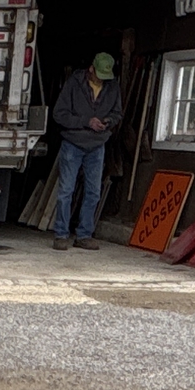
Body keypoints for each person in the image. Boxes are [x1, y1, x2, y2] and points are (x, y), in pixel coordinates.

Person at [50, 52, 123, 250]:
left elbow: (117, 113)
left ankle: (84, 235)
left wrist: (107, 122)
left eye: (105, 76)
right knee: (66, 190)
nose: (101, 80)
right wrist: (85, 121)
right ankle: (61, 234)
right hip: (73, 142)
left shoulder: (112, 86)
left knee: (93, 192)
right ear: (90, 69)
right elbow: (59, 114)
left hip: (97, 144)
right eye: (98, 75)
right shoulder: (74, 84)